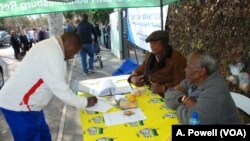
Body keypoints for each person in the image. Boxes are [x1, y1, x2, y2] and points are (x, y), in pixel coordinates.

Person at [0, 32, 98, 141]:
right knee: (31, 137)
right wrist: (84, 102)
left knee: (44, 135)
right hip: (19, 106)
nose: (72, 56)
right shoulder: (51, 52)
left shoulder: (53, 48)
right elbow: (59, 88)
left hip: (31, 105)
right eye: (73, 52)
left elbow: (58, 81)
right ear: (68, 45)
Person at [164, 50, 241, 124]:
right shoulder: (193, 81)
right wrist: (183, 99)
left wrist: (179, 106)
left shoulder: (215, 91)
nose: (185, 69)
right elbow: (169, 94)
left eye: (188, 67)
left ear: (201, 72)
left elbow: (191, 121)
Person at [127, 30, 187, 97]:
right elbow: (139, 70)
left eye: (155, 43)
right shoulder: (151, 56)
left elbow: (182, 82)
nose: (151, 46)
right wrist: (133, 78)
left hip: (168, 96)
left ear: (164, 44)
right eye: (150, 43)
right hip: (150, 93)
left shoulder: (176, 58)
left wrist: (163, 88)